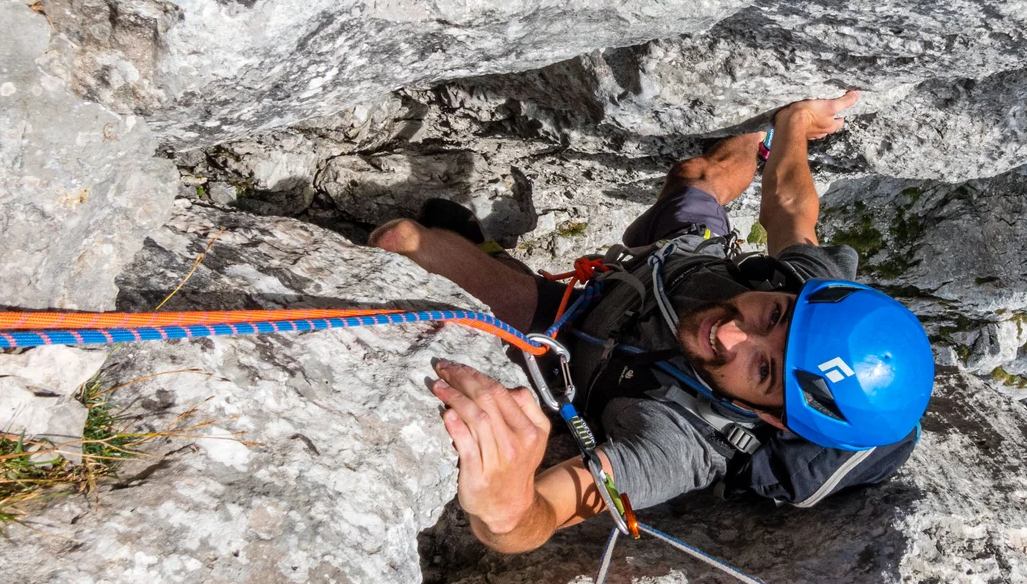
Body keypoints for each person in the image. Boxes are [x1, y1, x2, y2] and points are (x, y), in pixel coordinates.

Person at [369, 90, 936, 553]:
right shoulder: (810, 303)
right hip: (678, 262)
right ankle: (750, 138)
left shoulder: (684, 445)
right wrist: (790, 120)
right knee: (697, 172)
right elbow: (791, 209)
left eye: (762, 369)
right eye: (770, 315)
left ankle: (489, 260)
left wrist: (503, 503)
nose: (734, 333)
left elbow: (541, 516)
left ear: (775, 420)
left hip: (567, 330)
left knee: (403, 242)